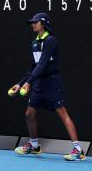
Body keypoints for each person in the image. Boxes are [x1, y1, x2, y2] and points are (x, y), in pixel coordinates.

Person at [9, 13, 85, 161]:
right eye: (32, 22)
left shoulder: (50, 41)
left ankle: (78, 149)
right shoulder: (34, 43)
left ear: (43, 24)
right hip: (38, 83)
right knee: (29, 114)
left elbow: (43, 64)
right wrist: (19, 84)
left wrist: (28, 82)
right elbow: (34, 66)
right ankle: (34, 145)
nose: (32, 24)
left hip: (52, 82)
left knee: (62, 113)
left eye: (35, 22)